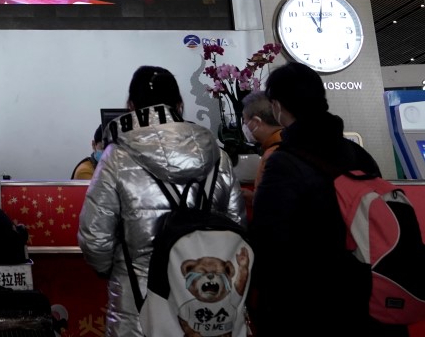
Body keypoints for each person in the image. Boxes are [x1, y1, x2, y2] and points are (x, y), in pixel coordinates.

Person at [77, 66, 244, 337]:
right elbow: (237, 225)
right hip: (206, 304)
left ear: (130, 107)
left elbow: (95, 237)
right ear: (180, 105)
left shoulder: (116, 156)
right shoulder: (218, 156)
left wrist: (118, 270)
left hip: (139, 302)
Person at [250, 62, 404, 337]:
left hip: (311, 310)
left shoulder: (283, 163)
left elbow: (269, 246)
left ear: (277, 106)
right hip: (370, 300)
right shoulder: (357, 153)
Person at [240, 90, 282, 194]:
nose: (245, 127)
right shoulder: (293, 142)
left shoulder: (272, 156)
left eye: (245, 122)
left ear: (256, 122)